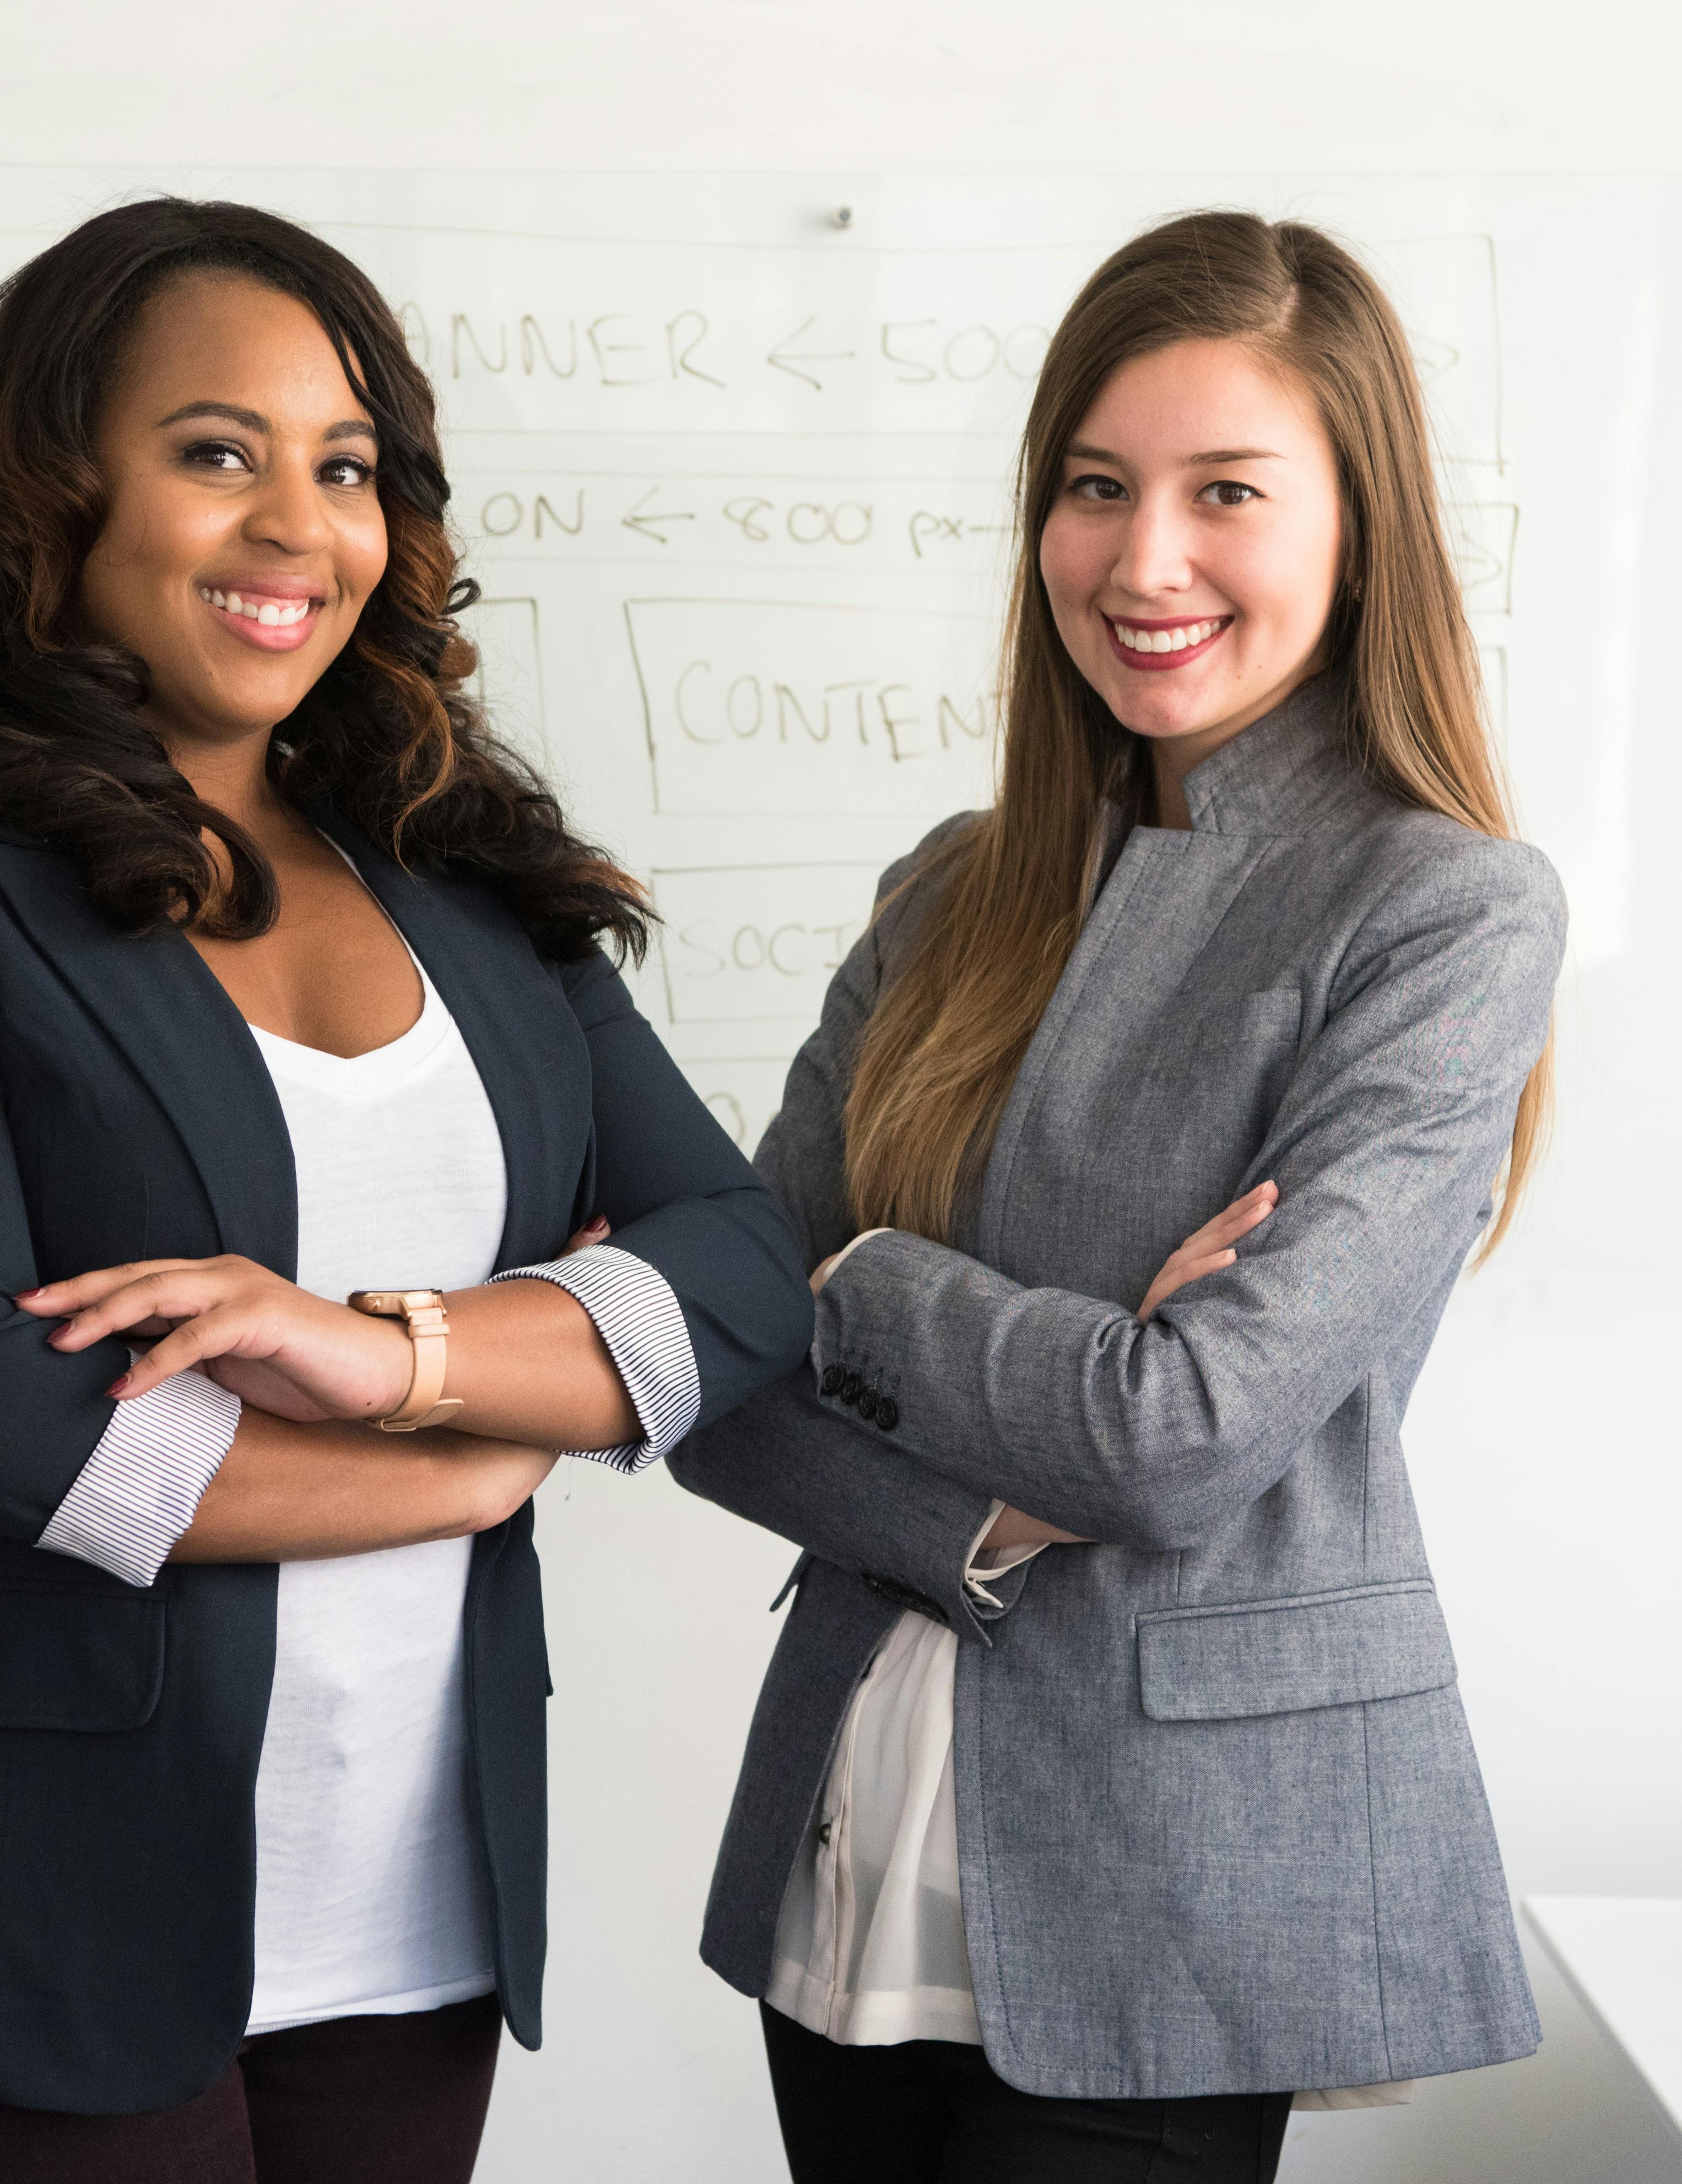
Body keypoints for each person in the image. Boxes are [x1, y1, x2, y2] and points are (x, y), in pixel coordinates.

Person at [0, 198, 811, 2184]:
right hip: (8, 1918)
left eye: (347, 465)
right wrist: (473, 1456)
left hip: (407, 1919)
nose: (298, 523)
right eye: (218, 451)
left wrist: (385, 1358)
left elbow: (735, 1272)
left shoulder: (478, 892)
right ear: (55, 495)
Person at [670, 208, 1565, 2183]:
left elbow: (1178, 1438)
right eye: (1094, 487)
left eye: (1222, 491)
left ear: (1360, 523)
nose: (1140, 559)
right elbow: (718, 1376)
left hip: (1178, 1872)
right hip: (853, 1827)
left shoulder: (1439, 910)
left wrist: (862, 1277)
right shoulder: (946, 886)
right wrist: (983, 1489)